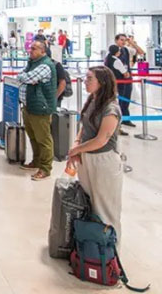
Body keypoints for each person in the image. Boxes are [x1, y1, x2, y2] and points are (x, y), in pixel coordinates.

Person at [67, 66, 124, 243]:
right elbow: (85, 127)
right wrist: (77, 144)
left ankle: (110, 249)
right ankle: (91, 247)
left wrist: (77, 150)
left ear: (102, 82)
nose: (85, 81)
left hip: (103, 161)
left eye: (90, 78)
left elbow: (101, 140)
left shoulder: (111, 109)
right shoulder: (93, 100)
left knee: (105, 209)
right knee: (90, 203)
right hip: (87, 159)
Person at [17, 40, 57, 181]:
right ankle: (36, 161)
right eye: (30, 48)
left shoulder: (45, 65)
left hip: (40, 108)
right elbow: (22, 76)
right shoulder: (32, 63)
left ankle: (45, 168)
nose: (31, 50)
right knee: (33, 137)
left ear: (43, 51)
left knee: (43, 139)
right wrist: (25, 78)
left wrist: (25, 78)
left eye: (34, 48)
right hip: (28, 106)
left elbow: (27, 77)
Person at [113, 34, 143, 128]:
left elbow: (141, 52)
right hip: (118, 79)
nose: (123, 42)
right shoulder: (112, 50)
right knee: (117, 100)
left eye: (124, 40)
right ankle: (116, 120)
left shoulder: (127, 49)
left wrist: (132, 43)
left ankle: (126, 119)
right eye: (121, 40)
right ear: (116, 40)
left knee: (126, 99)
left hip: (127, 78)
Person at [104, 45, 131, 136]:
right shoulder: (117, 61)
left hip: (110, 84)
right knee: (117, 106)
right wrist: (127, 73)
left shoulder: (107, 59)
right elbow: (125, 74)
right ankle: (117, 127)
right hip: (119, 85)